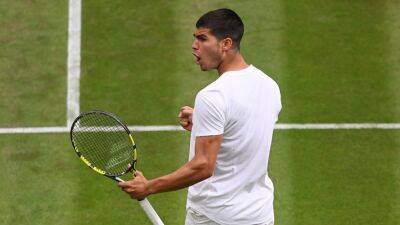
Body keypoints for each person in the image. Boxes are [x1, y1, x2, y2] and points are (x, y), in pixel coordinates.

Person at [118, 8, 281, 225]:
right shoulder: (269, 85)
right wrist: (204, 120)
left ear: (226, 44)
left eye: (202, 39)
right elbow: (246, 126)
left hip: (215, 217)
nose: (194, 46)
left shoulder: (213, 96)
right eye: (195, 38)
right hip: (258, 215)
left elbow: (203, 165)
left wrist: (149, 187)